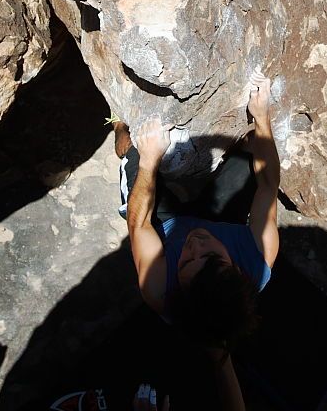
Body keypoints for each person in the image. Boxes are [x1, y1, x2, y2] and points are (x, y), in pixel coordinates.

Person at [111, 69, 280, 351]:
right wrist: (262, 115)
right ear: (237, 268)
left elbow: (138, 224)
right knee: (252, 151)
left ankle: (117, 126)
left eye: (187, 261)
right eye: (211, 255)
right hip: (222, 221)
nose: (195, 244)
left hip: (166, 226)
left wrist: (149, 159)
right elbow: (268, 184)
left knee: (136, 149)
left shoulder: (158, 287)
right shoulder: (258, 257)